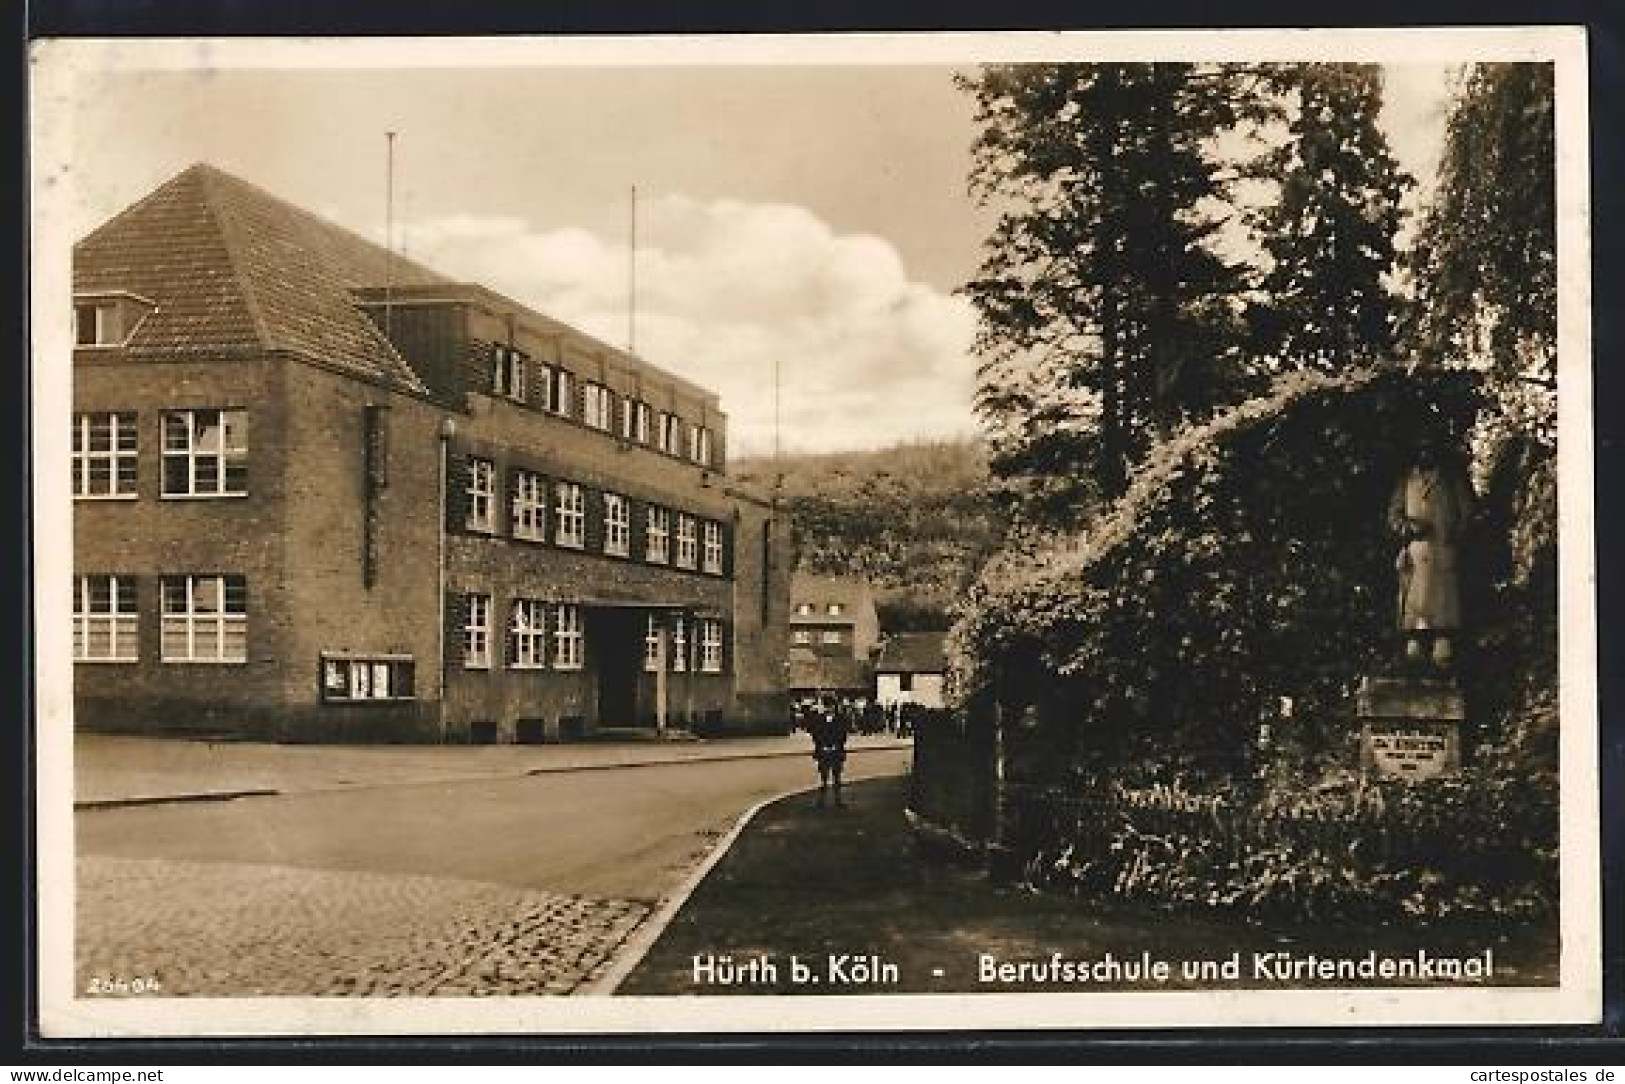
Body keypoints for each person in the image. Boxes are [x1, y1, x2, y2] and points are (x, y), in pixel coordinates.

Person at [1388, 434, 1473, 671]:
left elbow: (1467, 512)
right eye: (1421, 449)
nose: (1425, 454)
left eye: (1430, 449)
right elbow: (1394, 516)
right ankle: (1413, 655)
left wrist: (1454, 533)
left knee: (1443, 612)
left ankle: (1442, 654)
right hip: (1415, 554)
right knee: (1414, 612)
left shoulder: (1451, 480)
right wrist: (1409, 527)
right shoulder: (1406, 481)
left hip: (1443, 551)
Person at [808, 696, 850, 808]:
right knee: (823, 777)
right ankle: (822, 800)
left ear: (834, 707)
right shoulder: (819, 719)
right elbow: (815, 734)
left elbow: (843, 734)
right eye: (826, 706)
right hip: (823, 751)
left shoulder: (841, 719)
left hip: (836, 751)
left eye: (830, 706)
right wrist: (822, 745)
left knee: (837, 776)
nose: (828, 708)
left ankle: (838, 800)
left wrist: (836, 745)